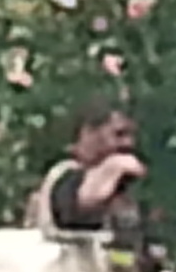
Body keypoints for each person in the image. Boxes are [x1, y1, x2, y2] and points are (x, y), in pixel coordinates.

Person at [30, 96, 149, 238]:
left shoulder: (118, 183)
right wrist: (114, 167)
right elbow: (82, 201)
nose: (128, 143)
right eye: (119, 134)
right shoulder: (62, 174)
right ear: (88, 133)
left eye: (131, 135)